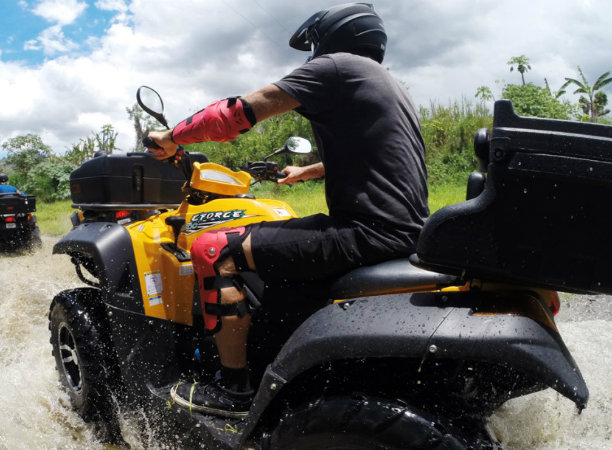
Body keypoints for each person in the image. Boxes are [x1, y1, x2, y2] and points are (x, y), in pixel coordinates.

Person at [147, 2, 429, 418]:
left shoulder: (336, 67)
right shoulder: (387, 82)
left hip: (366, 232)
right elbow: (371, 154)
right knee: (283, 238)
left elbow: (235, 115)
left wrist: (171, 137)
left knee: (212, 249)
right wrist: (307, 171)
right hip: (401, 230)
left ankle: (236, 391)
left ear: (327, 38)